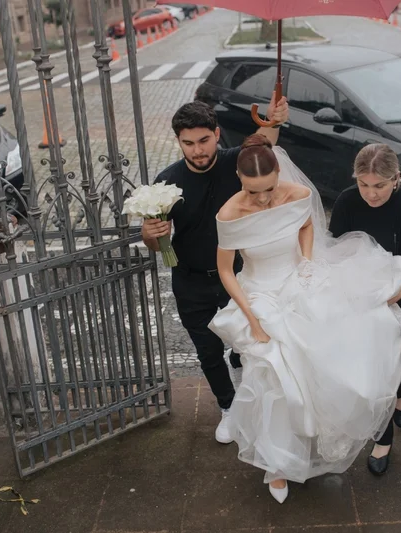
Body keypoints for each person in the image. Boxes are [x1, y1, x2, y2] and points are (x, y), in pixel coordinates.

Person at [209, 134, 401, 504]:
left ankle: (309, 439)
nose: (263, 199)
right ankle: (276, 464)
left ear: (278, 175)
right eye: (253, 191)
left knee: (320, 370)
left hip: (299, 284)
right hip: (259, 295)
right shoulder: (229, 214)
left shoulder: (297, 195)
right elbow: (226, 270)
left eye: (269, 189)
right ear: (239, 179)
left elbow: (304, 226)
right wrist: (251, 317)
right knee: (271, 380)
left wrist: (305, 262)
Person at [141, 98, 290, 444]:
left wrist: (276, 119)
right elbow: (157, 244)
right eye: (189, 143)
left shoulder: (235, 163)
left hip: (238, 277)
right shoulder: (166, 183)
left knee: (246, 344)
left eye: (204, 140)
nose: (197, 150)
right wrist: (149, 234)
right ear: (178, 142)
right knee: (207, 351)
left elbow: (265, 141)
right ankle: (228, 406)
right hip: (190, 281)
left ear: (217, 134)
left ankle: (249, 387)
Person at [328, 144, 401, 476]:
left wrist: (386, 298)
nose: (371, 194)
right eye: (363, 184)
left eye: (380, 186)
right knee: (376, 374)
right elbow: (336, 251)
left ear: (395, 179)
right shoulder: (346, 202)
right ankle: (382, 439)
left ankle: (400, 392)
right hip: (360, 300)